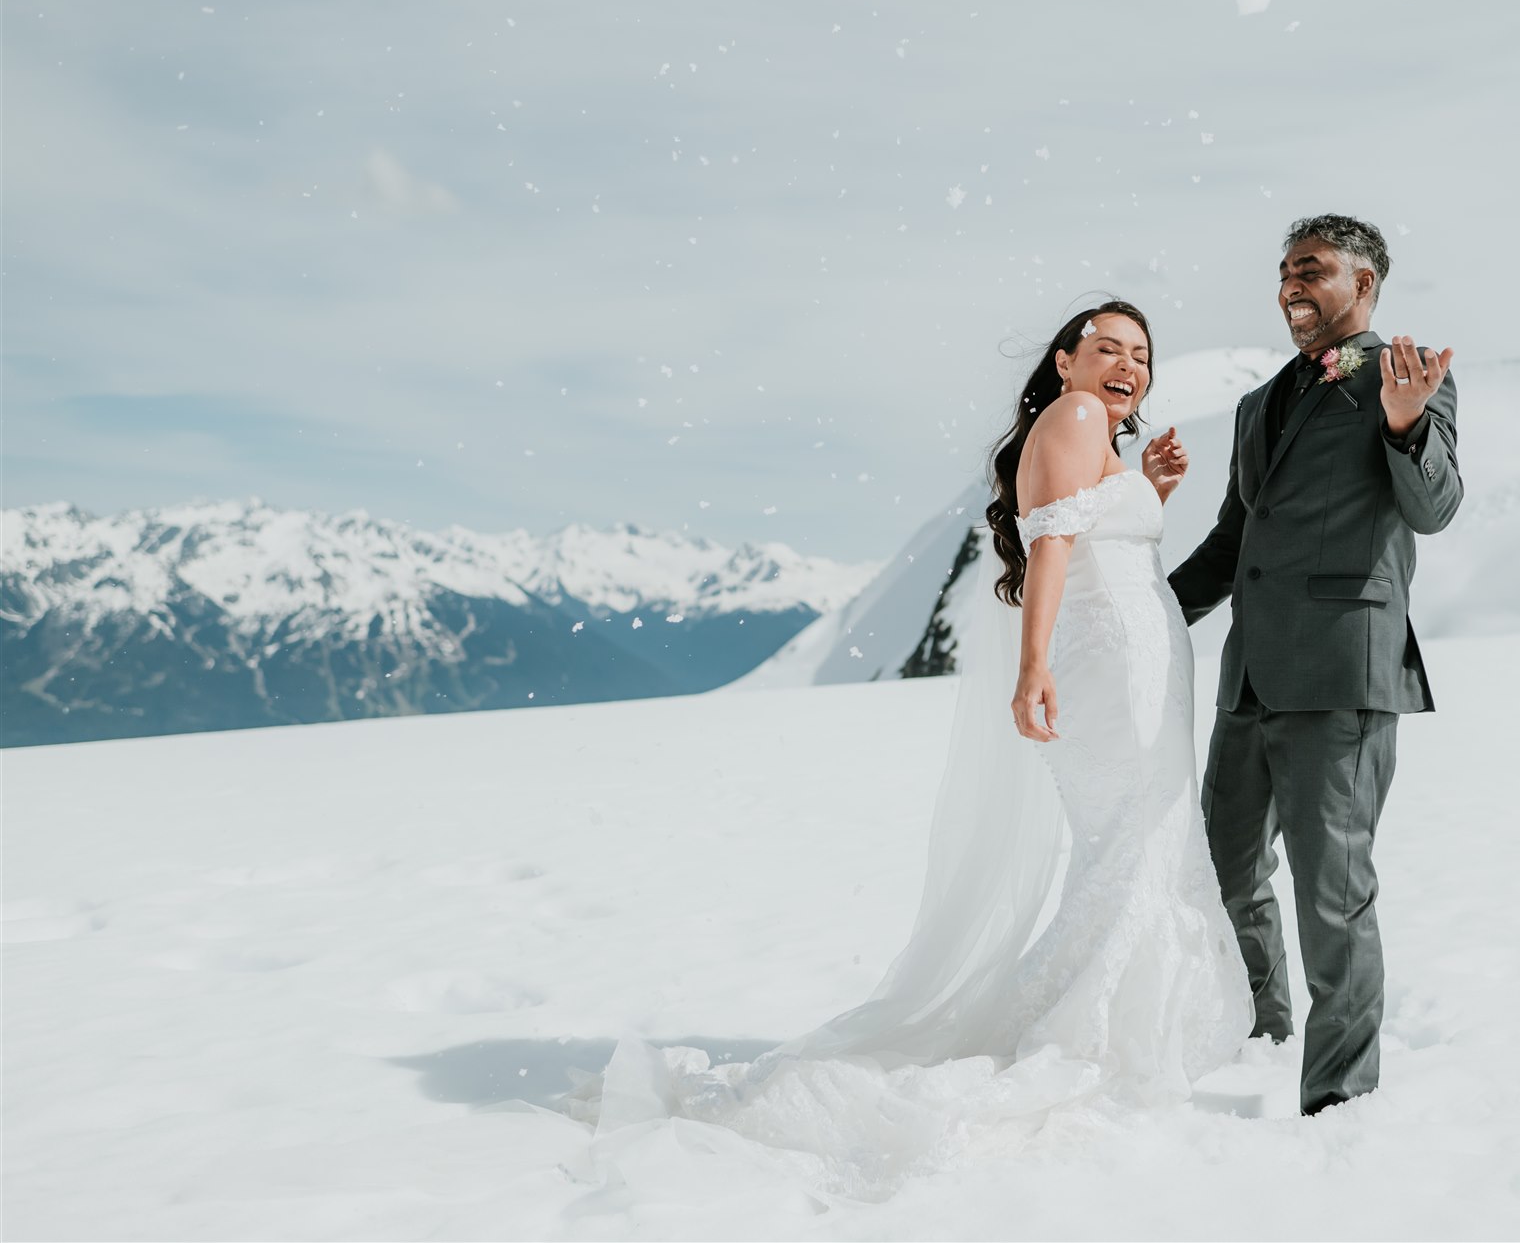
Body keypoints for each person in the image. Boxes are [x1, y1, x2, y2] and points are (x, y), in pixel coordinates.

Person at [571, 300, 1250, 1198]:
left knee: (1127, 841)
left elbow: (1087, 536)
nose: (1127, 366)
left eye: (1141, 355)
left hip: (1125, 657)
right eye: (1107, 349)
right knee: (1136, 839)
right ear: (1064, 360)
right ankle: (1101, 1036)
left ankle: (1112, 1025)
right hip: (1115, 664)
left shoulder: (1088, 431)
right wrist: (1034, 665)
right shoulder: (1081, 414)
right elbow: (1051, 548)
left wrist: (1145, 491)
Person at [1169, 214, 1462, 1116]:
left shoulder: (1402, 379)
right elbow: (1233, 540)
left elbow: (1436, 505)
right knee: (1223, 877)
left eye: (1314, 269)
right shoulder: (1260, 403)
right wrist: (1141, 613)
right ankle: (1263, 1037)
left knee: (1333, 898)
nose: (1292, 283)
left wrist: (1407, 425)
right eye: (1286, 269)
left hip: (1341, 671)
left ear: (1364, 286)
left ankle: (1340, 1099)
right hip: (1249, 678)